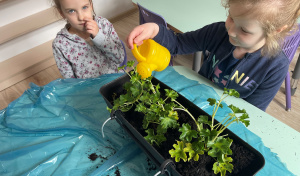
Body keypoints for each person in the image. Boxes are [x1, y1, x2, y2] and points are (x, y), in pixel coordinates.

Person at [126, 0, 300, 111]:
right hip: (195, 98)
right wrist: (155, 30)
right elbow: (178, 44)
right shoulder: (217, 32)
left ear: (275, 30)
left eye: (245, 30)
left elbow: (253, 112)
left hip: (226, 116)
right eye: (231, 17)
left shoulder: (275, 65)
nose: (230, 31)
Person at [52, 0, 125, 79]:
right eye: (71, 11)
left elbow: (119, 58)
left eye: (84, 7)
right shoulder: (60, 44)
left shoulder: (104, 25)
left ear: (91, 6)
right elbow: (70, 81)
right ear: (62, 13)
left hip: (115, 80)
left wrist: (99, 36)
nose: (81, 17)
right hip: (88, 89)